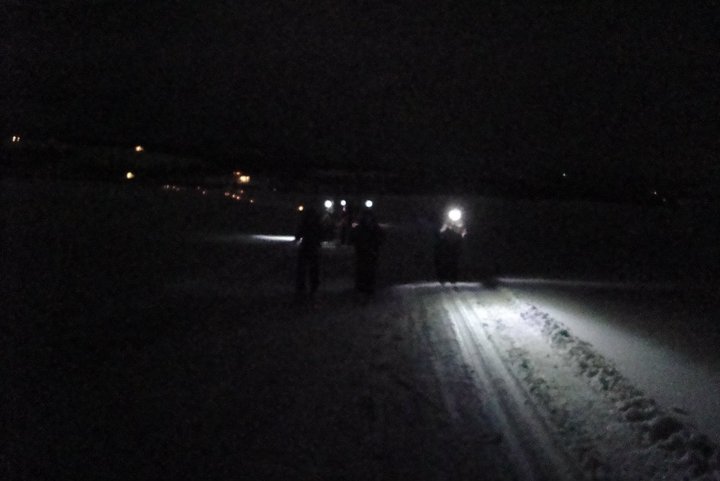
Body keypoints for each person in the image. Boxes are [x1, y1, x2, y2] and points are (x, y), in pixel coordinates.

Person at [350, 207, 384, 294]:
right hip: (362, 253)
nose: (367, 219)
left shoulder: (375, 228)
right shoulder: (360, 228)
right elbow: (353, 238)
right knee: (362, 270)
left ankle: (369, 287)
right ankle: (361, 287)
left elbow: (380, 238)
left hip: (371, 253)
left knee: (370, 271)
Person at [294, 205, 324, 300]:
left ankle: (304, 287)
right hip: (311, 246)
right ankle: (311, 287)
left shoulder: (307, 222)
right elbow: (321, 234)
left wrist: (297, 238)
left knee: (304, 268)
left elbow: (300, 232)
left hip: (307, 246)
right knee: (312, 268)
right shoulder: (316, 223)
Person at [435, 208, 467, 284]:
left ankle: (453, 279)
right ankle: (443, 279)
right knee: (444, 261)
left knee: (454, 262)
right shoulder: (447, 222)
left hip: (456, 245)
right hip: (446, 245)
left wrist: (459, 231)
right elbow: (441, 231)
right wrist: (447, 226)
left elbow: (464, 233)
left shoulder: (460, 223)